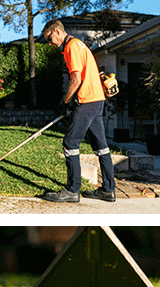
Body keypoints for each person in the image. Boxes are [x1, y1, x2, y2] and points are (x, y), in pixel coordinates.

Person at [42, 19, 116, 203]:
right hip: (97, 99)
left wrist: (65, 102)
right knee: (101, 146)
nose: (50, 43)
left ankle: (72, 190)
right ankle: (108, 190)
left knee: (70, 143)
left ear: (57, 32)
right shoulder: (80, 44)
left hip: (88, 100)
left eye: (50, 38)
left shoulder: (71, 47)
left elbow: (75, 80)